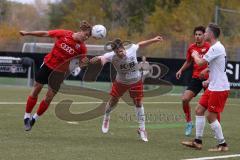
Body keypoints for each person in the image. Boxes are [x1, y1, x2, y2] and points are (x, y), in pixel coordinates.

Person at [20, 21, 92, 131]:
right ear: (81, 30)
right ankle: (26, 116)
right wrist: (27, 33)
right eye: (86, 34)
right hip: (47, 65)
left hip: (59, 73)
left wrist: (81, 65)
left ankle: (34, 119)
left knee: (49, 98)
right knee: (36, 90)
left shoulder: (82, 48)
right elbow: (45, 33)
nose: (86, 37)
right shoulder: (64, 34)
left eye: (88, 36)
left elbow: (83, 62)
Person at [89, 36, 163, 142]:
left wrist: (153, 40)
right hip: (121, 82)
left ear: (124, 47)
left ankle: (142, 129)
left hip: (136, 81)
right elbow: (103, 58)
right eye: (118, 52)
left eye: (121, 50)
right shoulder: (111, 56)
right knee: (113, 101)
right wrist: (98, 61)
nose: (121, 53)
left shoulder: (131, 49)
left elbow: (141, 44)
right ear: (114, 51)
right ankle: (107, 116)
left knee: (138, 103)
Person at [181, 23, 230, 152]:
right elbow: (216, 64)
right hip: (213, 85)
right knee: (199, 110)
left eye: (206, 33)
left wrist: (195, 55)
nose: (204, 35)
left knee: (211, 116)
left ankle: (222, 144)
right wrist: (208, 77)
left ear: (211, 35)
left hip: (219, 88)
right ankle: (197, 141)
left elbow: (200, 62)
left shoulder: (215, 48)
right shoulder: (216, 47)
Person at [176, 26, 210, 136]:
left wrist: (206, 71)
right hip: (196, 78)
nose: (197, 36)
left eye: (200, 34)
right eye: (196, 34)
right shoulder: (191, 48)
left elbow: (213, 63)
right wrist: (181, 70)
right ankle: (189, 122)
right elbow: (189, 62)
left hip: (208, 79)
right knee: (185, 99)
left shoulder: (209, 47)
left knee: (211, 105)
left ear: (204, 35)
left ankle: (216, 126)